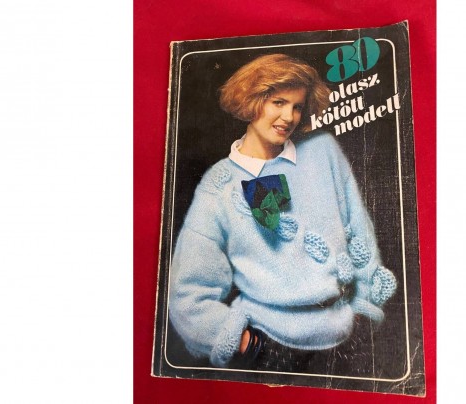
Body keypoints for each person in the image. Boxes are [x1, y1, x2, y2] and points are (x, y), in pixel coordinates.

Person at [168, 53, 397, 372]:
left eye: (297, 106)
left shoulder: (322, 151)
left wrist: (363, 309)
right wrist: (245, 343)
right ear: (251, 100)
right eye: (278, 102)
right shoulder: (220, 184)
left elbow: (359, 232)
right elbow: (187, 293)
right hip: (273, 348)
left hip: (349, 337)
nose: (288, 117)